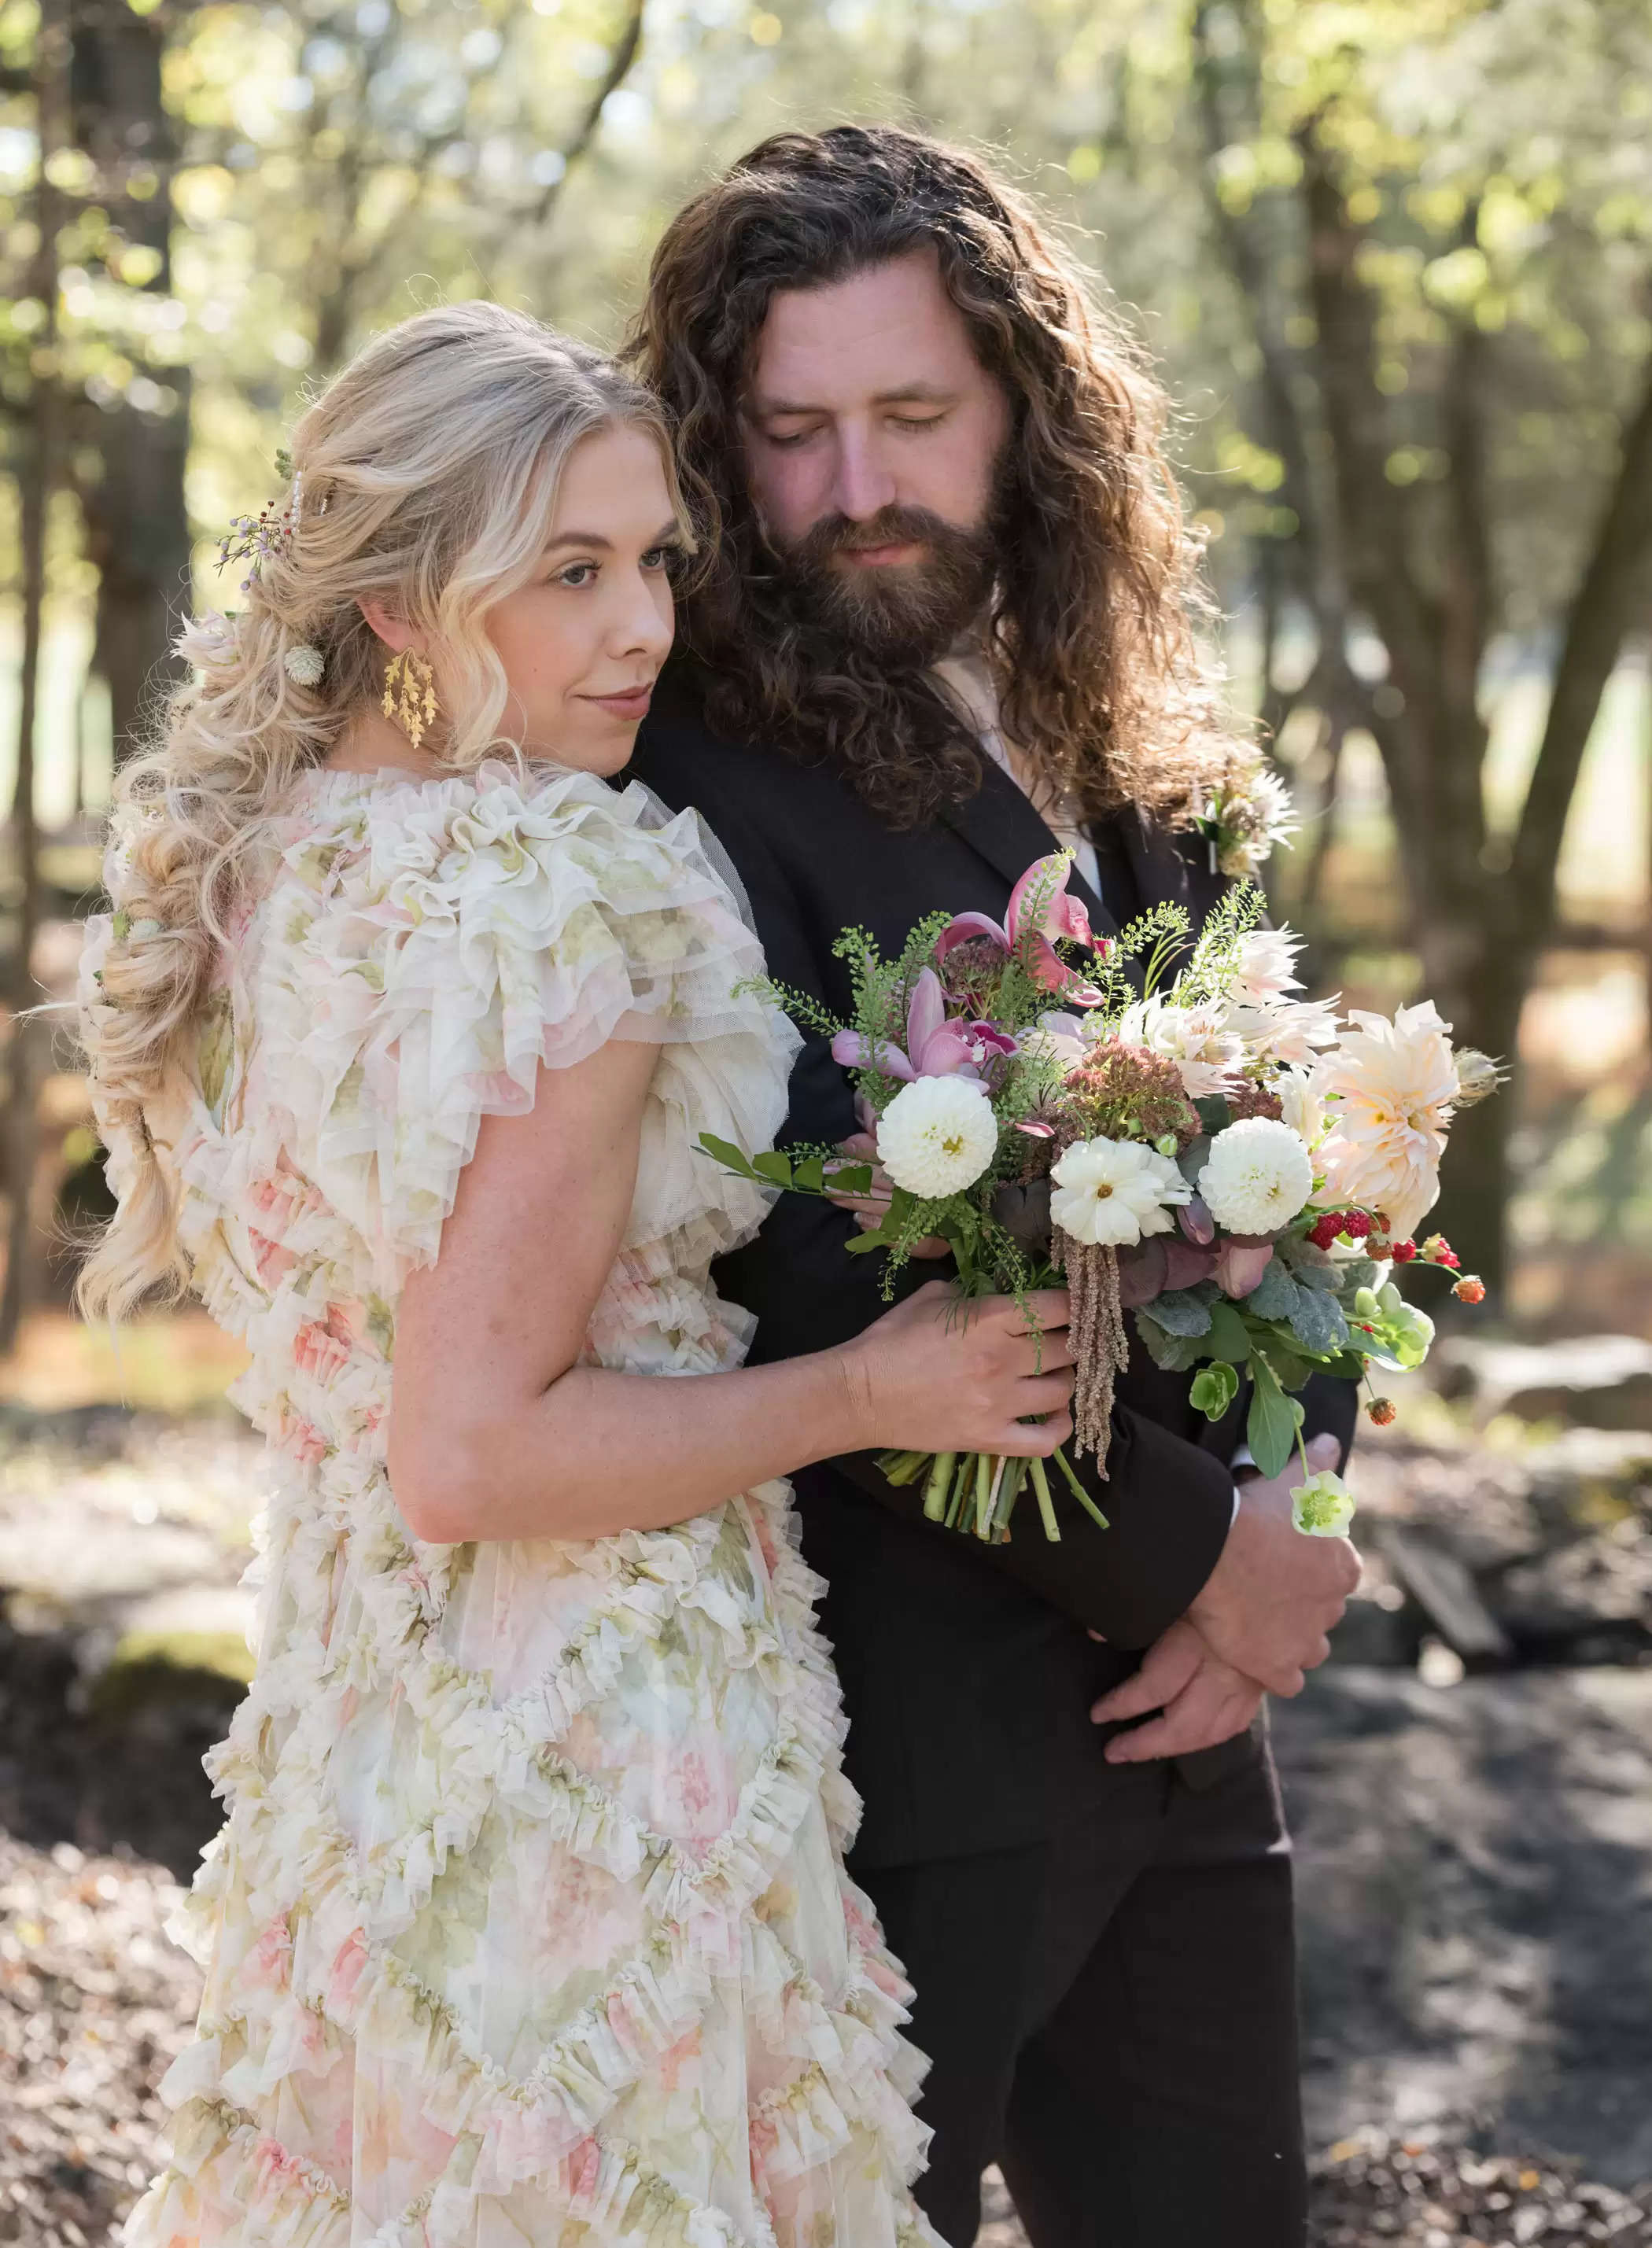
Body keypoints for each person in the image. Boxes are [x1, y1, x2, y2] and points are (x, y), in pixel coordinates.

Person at [76, 300, 1079, 2248]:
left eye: (655, 564)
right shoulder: (564, 882)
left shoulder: (248, 871)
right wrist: (873, 1391)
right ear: (400, 604)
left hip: (358, 1733)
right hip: (595, 1745)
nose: (643, 627)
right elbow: (477, 1454)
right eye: (570, 574)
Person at [629, 127, 1362, 2248]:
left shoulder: (1138, 734)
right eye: (790, 431)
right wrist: (1186, 1569)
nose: (853, 482)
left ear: (1027, 411)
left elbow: (1294, 1161)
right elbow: (791, 1257)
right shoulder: (684, 780)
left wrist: (1289, 1524)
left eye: (911, 415)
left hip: (1192, 1712)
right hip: (904, 1742)